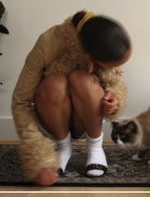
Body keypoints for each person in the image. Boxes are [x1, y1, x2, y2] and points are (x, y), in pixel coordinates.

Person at [12, 10, 131, 186]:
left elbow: (115, 82)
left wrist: (114, 100)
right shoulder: (48, 42)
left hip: (86, 117)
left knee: (82, 79)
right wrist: (39, 158)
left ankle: (95, 147)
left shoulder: (102, 36)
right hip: (52, 115)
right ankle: (63, 147)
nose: (118, 69)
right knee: (55, 83)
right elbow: (20, 102)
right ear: (89, 57)